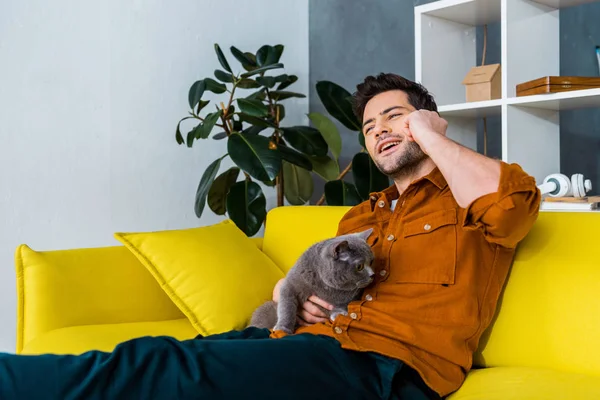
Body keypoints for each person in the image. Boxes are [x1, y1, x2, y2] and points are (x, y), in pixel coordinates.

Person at [0, 73, 540, 400]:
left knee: (165, 372)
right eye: (370, 128)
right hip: (305, 347)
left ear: (428, 121)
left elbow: (510, 215)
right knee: (157, 358)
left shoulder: (476, 193)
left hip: (384, 369)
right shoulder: (361, 216)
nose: (378, 131)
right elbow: (314, 279)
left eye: (394, 117)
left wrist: (426, 132)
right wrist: (295, 299)